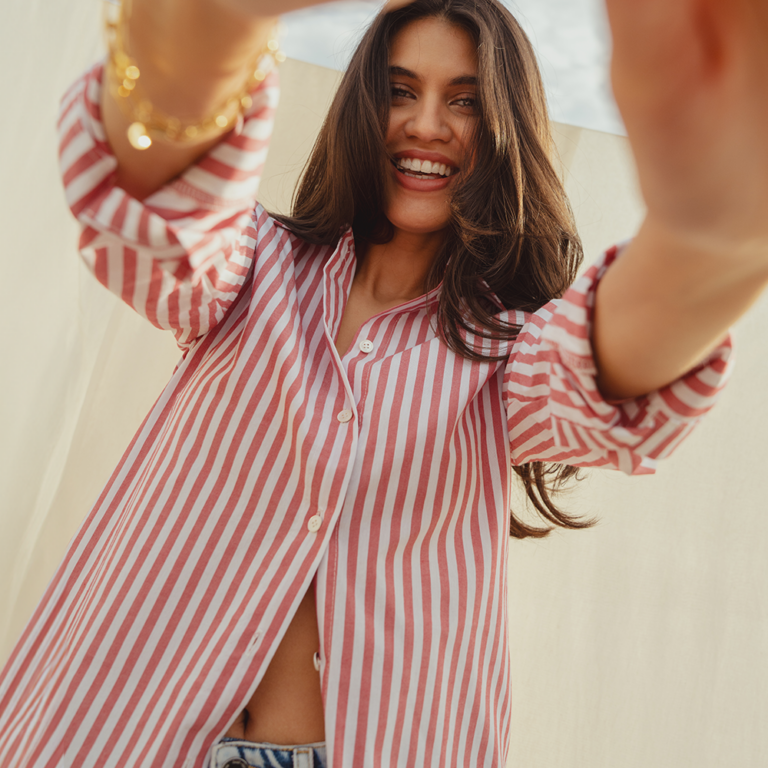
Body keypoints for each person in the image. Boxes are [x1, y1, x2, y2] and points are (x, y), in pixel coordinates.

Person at [0, 0, 766, 766]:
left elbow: (606, 365)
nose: (426, 124)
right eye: (400, 90)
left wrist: (711, 235)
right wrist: (206, 26)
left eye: (463, 100)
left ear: (505, 126)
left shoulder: (509, 355)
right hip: (116, 736)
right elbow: (161, 207)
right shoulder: (248, 272)